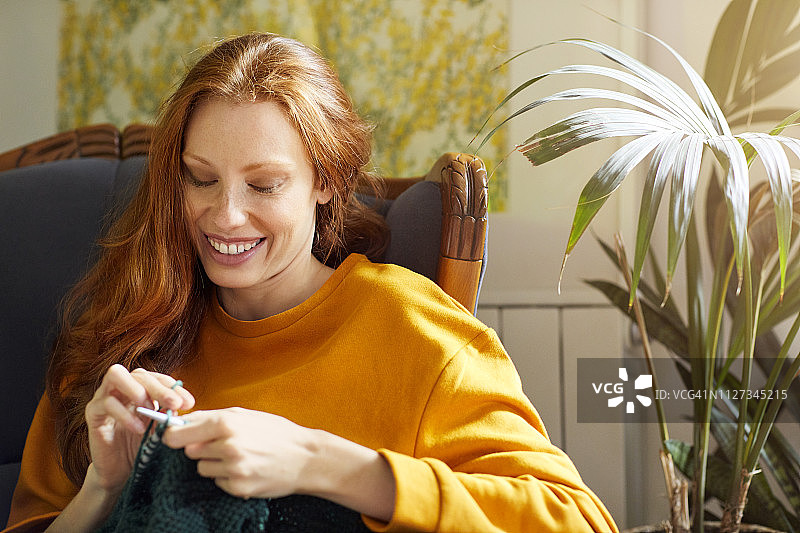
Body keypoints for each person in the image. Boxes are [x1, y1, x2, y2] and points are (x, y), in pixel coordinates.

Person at [4, 33, 618, 532]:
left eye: (263, 186)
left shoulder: (410, 328)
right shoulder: (119, 332)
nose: (225, 216)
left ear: (324, 183)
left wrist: (323, 464)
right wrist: (103, 491)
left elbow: (580, 521)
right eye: (201, 179)